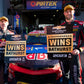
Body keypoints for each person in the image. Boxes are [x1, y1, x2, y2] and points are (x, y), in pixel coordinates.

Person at [61, 4, 84, 84]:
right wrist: (47, 33)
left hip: (74, 56)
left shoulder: (80, 25)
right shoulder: (60, 26)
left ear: (73, 12)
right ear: (64, 13)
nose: (68, 13)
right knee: (64, 78)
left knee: (76, 78)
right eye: (67, 12)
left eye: (70, 11)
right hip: (63, 56)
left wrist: (79, 49)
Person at [0, 16, 14, 84]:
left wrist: (23, 39)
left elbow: (17, 44)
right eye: (1, 21)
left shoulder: (12, 34)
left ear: (7, 23)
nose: (3, 23)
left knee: (6, 71)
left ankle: (6, 82)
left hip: (7, 56)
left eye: (5, 21)